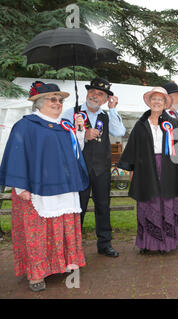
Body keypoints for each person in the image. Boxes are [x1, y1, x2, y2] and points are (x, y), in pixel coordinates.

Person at [0, 81, 89, 292]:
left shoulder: (65, 125)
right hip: (36, 189)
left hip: (65, 188)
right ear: (39, 103)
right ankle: (36, 274)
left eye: (60, 100)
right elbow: (16, 155)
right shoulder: (26, 126)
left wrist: (79, 131)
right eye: (52, 99)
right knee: (37, 232)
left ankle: (63, 264)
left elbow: (76, 153)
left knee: (62, 226)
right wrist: (21, 187)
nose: (58, 103)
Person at [117, 87, 178, 254]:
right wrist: (132, 171)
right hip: (146, 168)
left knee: (167, 203)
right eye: (154, 99)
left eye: (160, 100)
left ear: (165, 103)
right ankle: (148, 243)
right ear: (149, 102)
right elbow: (133, 150)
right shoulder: (140, 124)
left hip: (170, 168)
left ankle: (167, 242)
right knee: (148, 203)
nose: (157, 102)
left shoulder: (172, 123)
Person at [62, 77, 126, 257]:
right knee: (77, 208)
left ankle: (104, 244)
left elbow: (119, 132)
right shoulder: (71, 113)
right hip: (78, 169)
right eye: (92, 92)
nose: (95, 96)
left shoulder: (106, 115)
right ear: (87, 93)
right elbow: (61, 138)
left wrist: (113, 109)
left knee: (103, 207)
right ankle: (73, 247)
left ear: (106, 99)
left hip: (101, 169)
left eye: (100, 94)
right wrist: (81, 133)